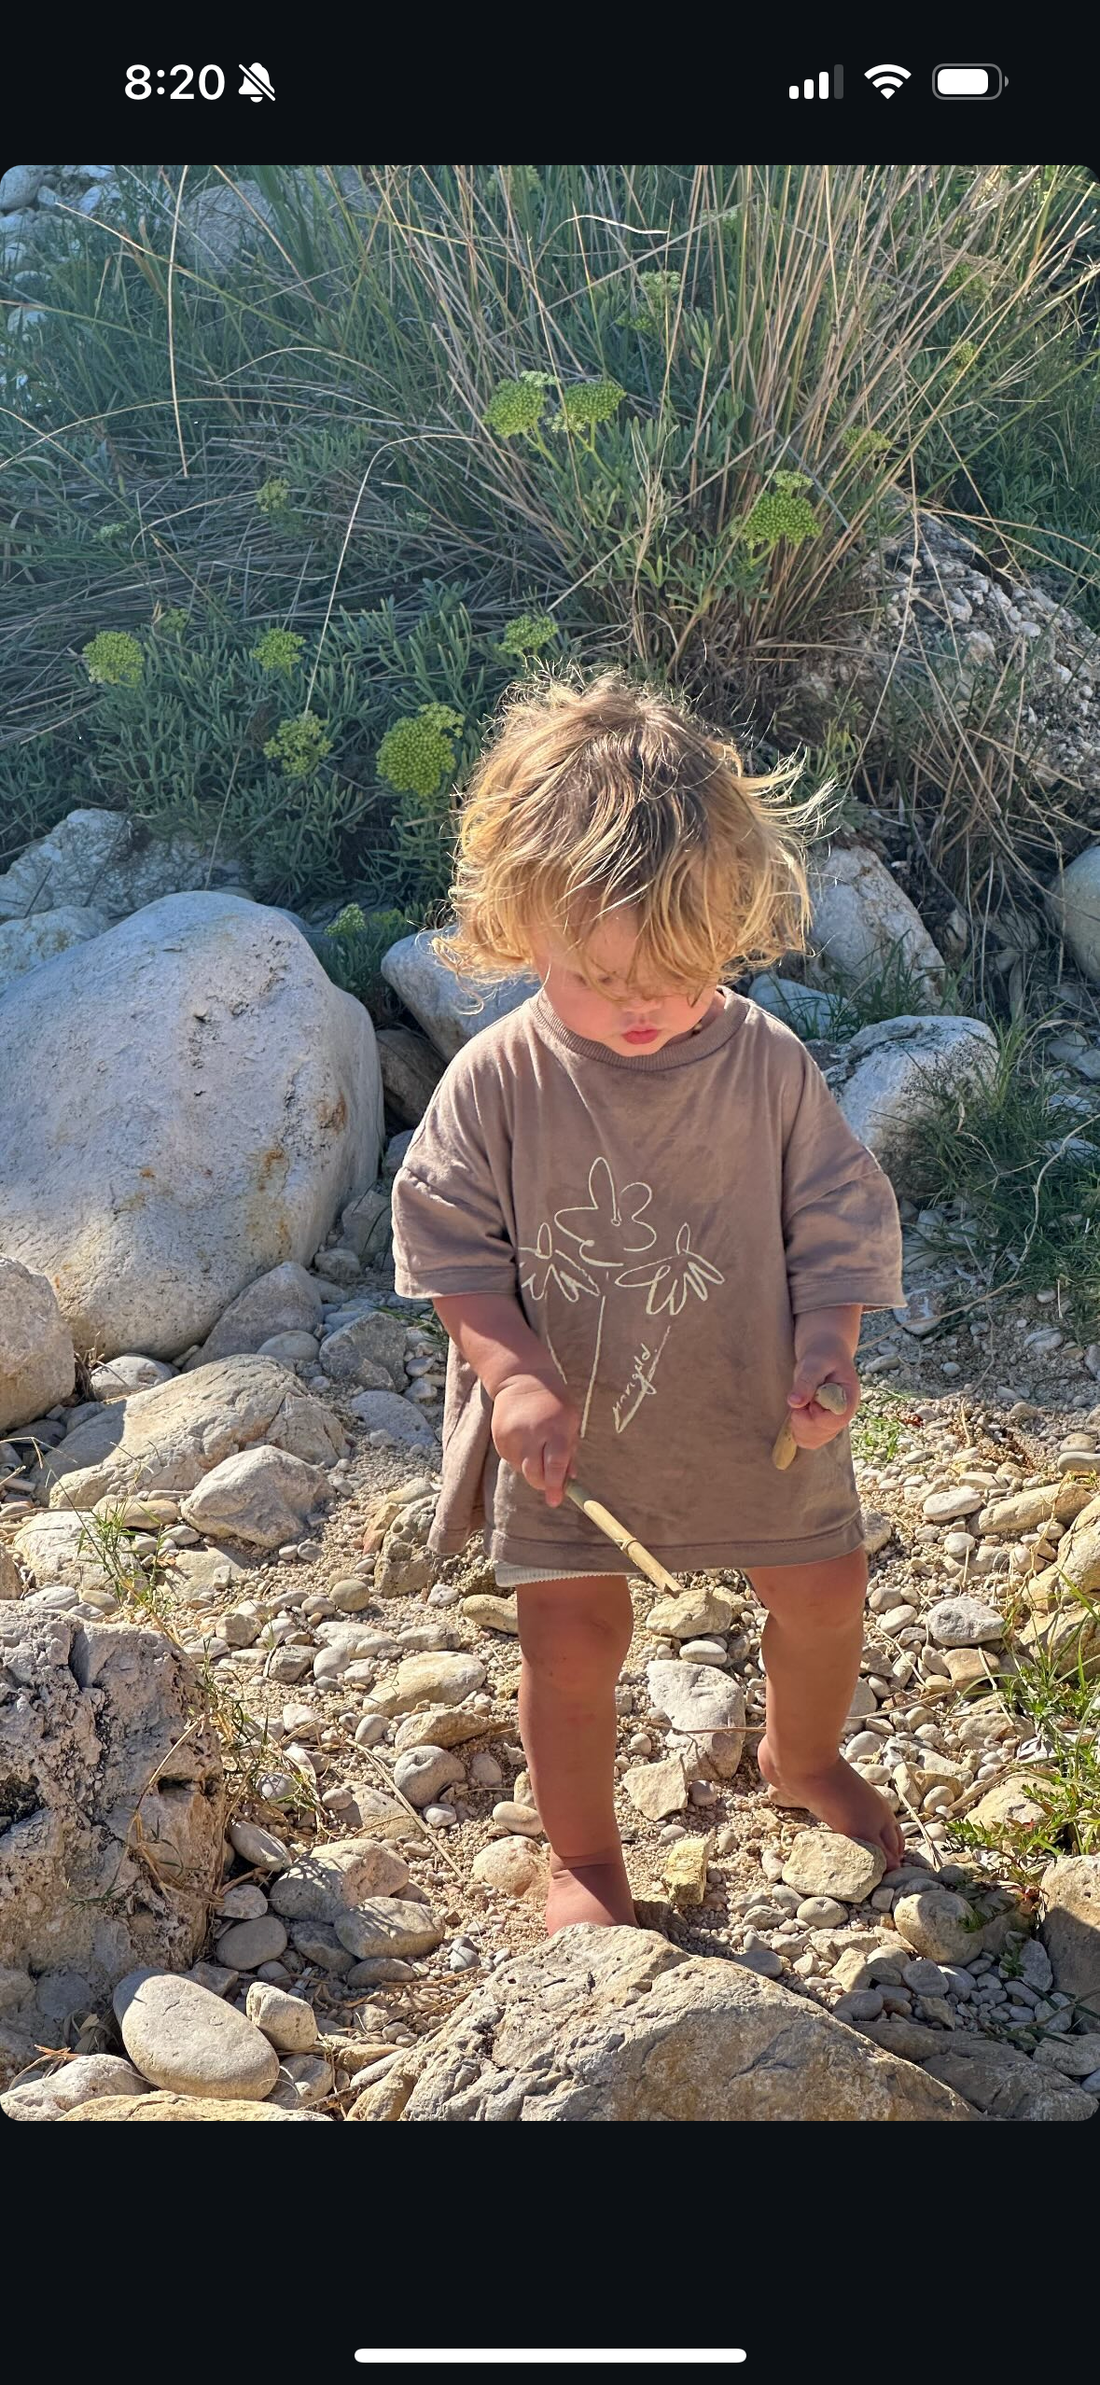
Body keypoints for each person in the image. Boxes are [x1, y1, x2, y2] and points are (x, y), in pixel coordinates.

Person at [389, 669, 906, 1935]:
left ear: (730, 929)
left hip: (752, 1407)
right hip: (577, 1441)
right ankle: (584, 1859)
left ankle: (800, 1756)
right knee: (569, 1643)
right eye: (596, 978)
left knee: (825, 1587)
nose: (636, 1012)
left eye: (674, 979)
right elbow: (450, 1244)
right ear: (521, 928)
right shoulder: (497, 1079)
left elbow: (835, 1213)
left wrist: (829, 1344)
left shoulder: (765, 1064)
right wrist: (507, 1373)